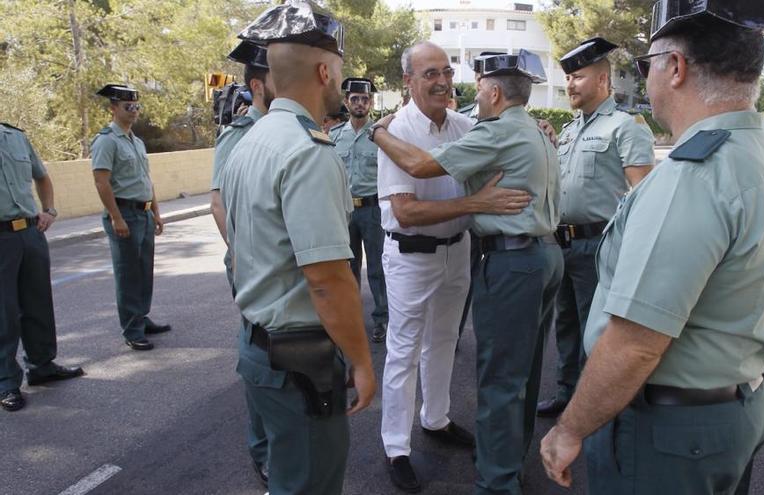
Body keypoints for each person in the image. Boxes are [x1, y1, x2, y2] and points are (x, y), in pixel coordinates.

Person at [539, 1, 764, 493]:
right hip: (736, 410)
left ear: (675, 68)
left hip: (671, 437)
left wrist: (569, 429)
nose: (646, 77)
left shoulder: (693, 176)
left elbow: (635, 343)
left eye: (647, 65)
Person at [372, 49, 563, 495]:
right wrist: (474, 203)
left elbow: (509, 139)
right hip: (411, 254)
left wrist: (539, 128)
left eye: (446, 71)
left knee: (444, 342)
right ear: (408, 79)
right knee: (404, 350)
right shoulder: (396, 132)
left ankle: (435, 420)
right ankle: (396, 446)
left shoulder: (467, 126)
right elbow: (405, 212)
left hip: (460, 250)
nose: (442, 81)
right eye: (430, 73)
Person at [222, 2, 376, 493]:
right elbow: (328, 280)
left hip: (260, 346)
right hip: (299, 361)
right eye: (340, 72)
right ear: (324, 70)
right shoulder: (308, 151)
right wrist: (362, 360)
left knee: (288, 478)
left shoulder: (252, 139)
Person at [537, 37, 655, 418]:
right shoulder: (570, 130)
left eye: (578, 77)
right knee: (567, 326)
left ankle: (598, 407)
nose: (570, 84)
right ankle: (568, 395)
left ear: (603, 80)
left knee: (599, 333)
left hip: (599, 246)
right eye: (568, 77)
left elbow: (644, 195)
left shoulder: (626, 126)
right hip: (563, 244)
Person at [209, 39, 274, 488]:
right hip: (253, 262)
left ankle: (284, 437)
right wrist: (245, 253)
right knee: (260, 349)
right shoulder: (238, 135)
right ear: (257, 85)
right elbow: (218, 203)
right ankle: (263, 448)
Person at [0, 123, 84, 412]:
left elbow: (42, 177)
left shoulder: (16, 137)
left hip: (29, 233)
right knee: (4, 313)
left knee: (38, 305)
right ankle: (6, 382)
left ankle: (42, 365)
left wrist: (49, 211)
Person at [91, 84, 170, 351]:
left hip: (144, 212)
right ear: (113, 108)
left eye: (136, 106)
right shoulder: (106, 141)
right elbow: (102, 182)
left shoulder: (136, 141)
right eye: (128, 106)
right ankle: (132, 329)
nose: (134, 111)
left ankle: (142, 317)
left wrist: (156, 212)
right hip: (124, 212)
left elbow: (146, 179)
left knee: (143, 271)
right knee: (128, 274)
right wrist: (116, 217)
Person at [329, 78, 388, 343]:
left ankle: (382, 320)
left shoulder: (380, 135)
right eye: (355, 99)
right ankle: (351, 320)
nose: (360, 103)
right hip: (345, 212)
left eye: (365, 99)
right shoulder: (333, 136)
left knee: (377, 269)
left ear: (371, 103)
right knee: (348, 269)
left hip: (372, 211)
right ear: (346, 102)